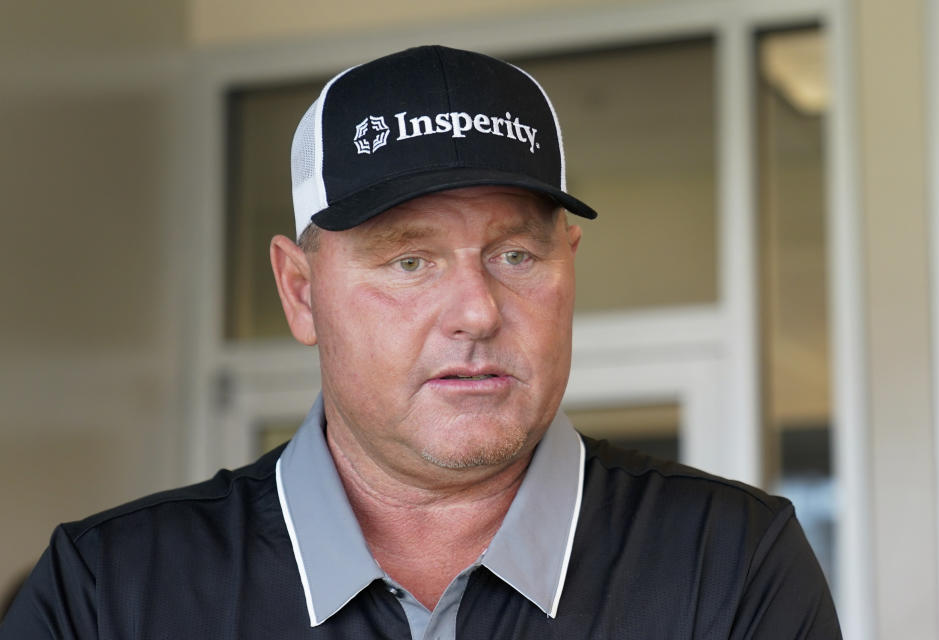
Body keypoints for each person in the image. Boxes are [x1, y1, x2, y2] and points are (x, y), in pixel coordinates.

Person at [0, 45, 841, 639]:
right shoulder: (108, 592)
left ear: (569, 267)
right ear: (301, 292)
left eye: (515, 254)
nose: (476, 310)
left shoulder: (731, 564)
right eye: (409, 261)